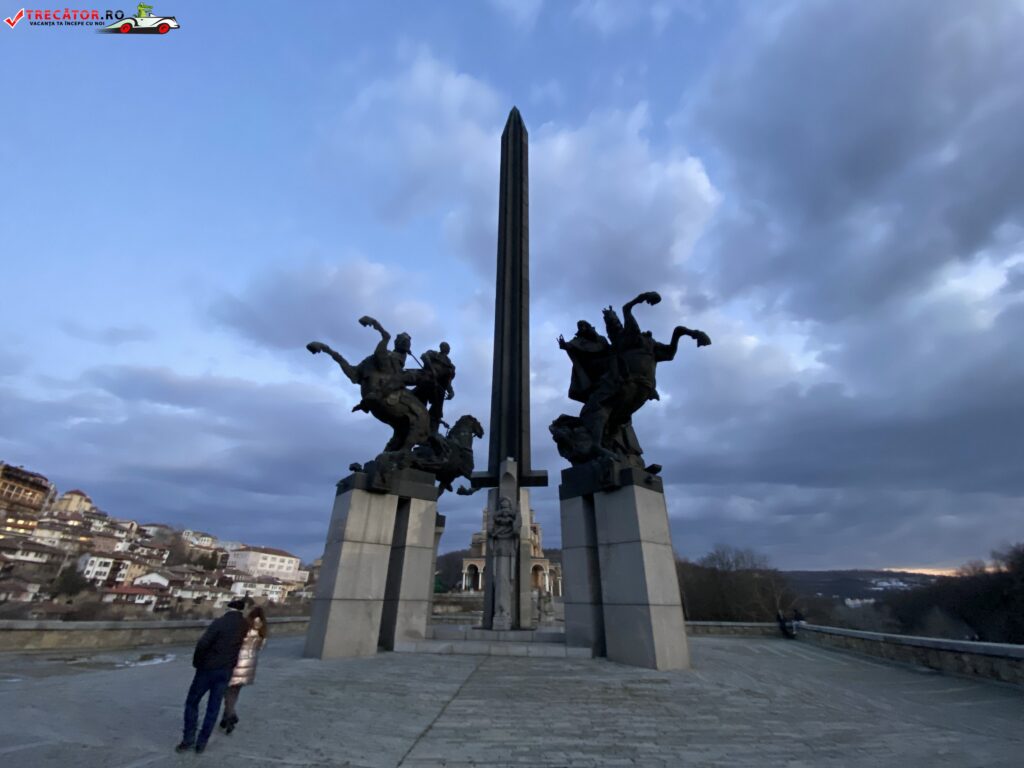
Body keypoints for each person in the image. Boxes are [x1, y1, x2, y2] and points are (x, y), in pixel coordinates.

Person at [176, 597, 248, 754]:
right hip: (226, 670)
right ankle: (202, 743)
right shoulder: (244, 625)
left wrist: (197, 662)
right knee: (213, 707)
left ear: (228, 608)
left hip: (207, 668)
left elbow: (203, 643)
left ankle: (188, 739)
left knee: (192, 702)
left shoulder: (220, 622)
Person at [220, 605, 268, 734]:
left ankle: (231, 714)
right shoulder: (262, 630)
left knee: (227, 690)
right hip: (250, 664)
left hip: (237, 661)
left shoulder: (244, 627)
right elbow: (260, 647)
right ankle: (226, 718)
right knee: (235, 691)